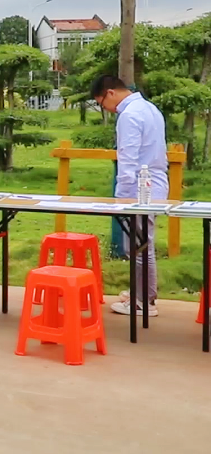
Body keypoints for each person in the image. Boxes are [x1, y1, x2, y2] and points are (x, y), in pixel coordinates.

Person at [92, 74, 168, 317]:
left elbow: (127, 159)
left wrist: (121, 199)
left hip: (139, 185)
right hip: (155, 180)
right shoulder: (149, 108)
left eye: (102, 102)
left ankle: (143, 301)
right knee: (144, 243)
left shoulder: (129, 115)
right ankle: (143, 294)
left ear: (111, 93)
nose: (106, 108)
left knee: (139, 246)